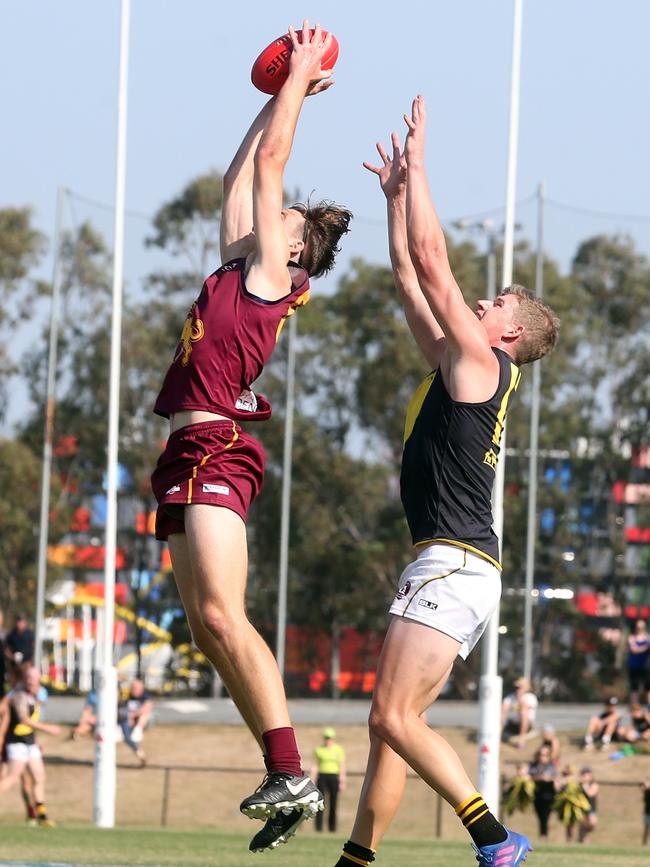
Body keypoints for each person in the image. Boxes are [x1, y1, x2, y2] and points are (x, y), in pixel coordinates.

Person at [332, 96, 559, 867]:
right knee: (391, 726)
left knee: (392, 714)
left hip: (455, 562)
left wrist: (421, 167)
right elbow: (408, 269)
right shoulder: (458, 361)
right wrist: (396, 200)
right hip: (454, 562)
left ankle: (494, 839)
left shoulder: (481, 361)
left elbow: (435, 262)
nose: (482, 301)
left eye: (494, 302)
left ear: (510, 334)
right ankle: (358, 859)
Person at [150, 21, 351, 855]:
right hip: (184, 449)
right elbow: (244, 175)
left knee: (228, 614)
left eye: (286, 219)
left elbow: (271, 171)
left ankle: (292, 767)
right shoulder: (242, 263)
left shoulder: (277, 274)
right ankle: (282, 771)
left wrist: (300, 81)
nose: (273, 213)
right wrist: (274, 97)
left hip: (220, 447)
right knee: (205, 624)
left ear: (296, 246)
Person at [0, 666, 60, 826]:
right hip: (17, 743)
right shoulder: (19, 696)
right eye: (29, 678)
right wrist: (49, 729)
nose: (31, 681)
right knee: (12, 778)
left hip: (30, 743)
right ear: (25, 679)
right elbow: (24, 720)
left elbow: (30, 724)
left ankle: (42, 816)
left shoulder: (34, 696)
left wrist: (37, 740)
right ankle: (35, 815)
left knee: (39, 776)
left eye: (34, 678)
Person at [311, 727, 346, 833]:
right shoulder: (319, 750)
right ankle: (318, 829)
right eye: (326, 738)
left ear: (333, 738)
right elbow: (315, 765)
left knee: (333, 804)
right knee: (320, 803)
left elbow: (342, 765)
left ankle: (332, 829)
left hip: (334, 777)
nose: (328, 740)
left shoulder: (338, 750)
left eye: (329, 738)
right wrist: (312, 780)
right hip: (322, 777)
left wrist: (342, 781)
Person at [117, 679, 153, 766]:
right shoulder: (127, 695)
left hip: (142, 721)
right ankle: (140, 754)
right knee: (127, 738)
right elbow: (121, 708)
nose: (134, 690)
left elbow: (147, 707)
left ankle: (138, 730)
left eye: (136, 688)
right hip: (127, 720)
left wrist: (133, 715)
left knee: (145, 714)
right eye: (133, 688)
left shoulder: (146, 696)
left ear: (141, 688)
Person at [528, 745, 558, 841]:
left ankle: (543, 836)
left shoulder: (551, 766)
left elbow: (554, 778)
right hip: (537, 795)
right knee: (540, 816)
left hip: (548, 795)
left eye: (545, 755)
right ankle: (543, 835)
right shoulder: (534, 766)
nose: (542, 757)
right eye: (541, 755)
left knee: (545, 816)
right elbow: (530, 776)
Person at [501, 678, 539, 748]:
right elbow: (504, 708)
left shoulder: (530, 697)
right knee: (500, 712)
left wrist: (519, 698)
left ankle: (521, 741)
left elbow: (525, 708)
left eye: (519, 687)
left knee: (523, 712)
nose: (517, 689)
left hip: (527, 725)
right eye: (516, 687)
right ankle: (497, 736)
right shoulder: (510, 697)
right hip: (512, 724)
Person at [626, 619, 650, 706]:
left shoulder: (648, 637)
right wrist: (646, 648)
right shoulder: (632, 637)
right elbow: (633, 649)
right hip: (634, 666)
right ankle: (634, 706)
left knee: (648, 687)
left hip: (646, 666)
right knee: (634, 687)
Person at [577, 767, 598, 844]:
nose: (585, 777)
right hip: (581, 808)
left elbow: (590, 794)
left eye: (586, 775)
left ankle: (582, 836)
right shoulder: (579, 785)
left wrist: (585, 786)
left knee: (593, 823)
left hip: (591, 808)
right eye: (583, 775)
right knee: (583, 824)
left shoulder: (594, 784)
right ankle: (583, 841)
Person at [642, 777, 650, 845]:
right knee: (647, 827)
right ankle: (645, 842)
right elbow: (645, 800)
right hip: (648, 812)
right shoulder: (646, 792)